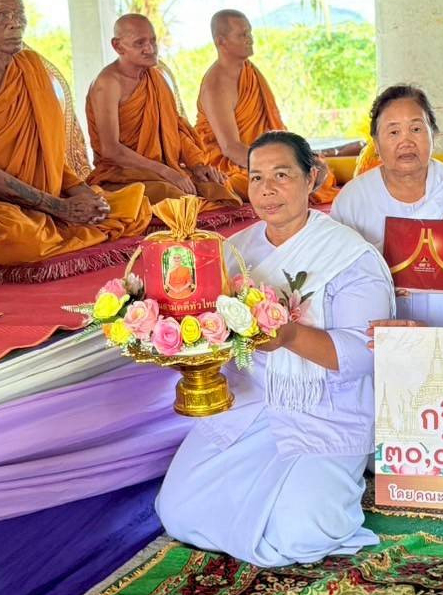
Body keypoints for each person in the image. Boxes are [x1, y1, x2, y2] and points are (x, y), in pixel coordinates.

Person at [155, 131, 395, 567]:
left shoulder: (349, 256)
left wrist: (289, 337)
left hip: (326, 408)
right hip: (251, 406)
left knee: (302, 532)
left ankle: (326, 485)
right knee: (177, 511)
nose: (267, 189)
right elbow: (210, 329)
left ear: (313, 178)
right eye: (256, 177)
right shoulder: (233, 252)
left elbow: (366, 354)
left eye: (282, 175)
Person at [0, 0, 151, 265]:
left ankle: (64, 218)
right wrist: (59, 208)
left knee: (133, 206)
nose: (14, 23)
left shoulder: (32, 69)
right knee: (13, 235)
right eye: (0, 15)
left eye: (19, 14)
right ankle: (52, 222)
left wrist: (85, 195)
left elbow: (50, 157)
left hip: (46, 195)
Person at [333, 84, 443, 327]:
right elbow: (339, 273)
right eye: (393, 132)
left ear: (433, 134)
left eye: (416, 129)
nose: (406, 141)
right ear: (376, 143)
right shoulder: (353, 199)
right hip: (380, 328)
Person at [193, 9, 358, 205]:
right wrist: (276, 165)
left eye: (250, 32)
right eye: (242, 34)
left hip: (258, 155)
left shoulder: (249, 71)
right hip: (228, 164)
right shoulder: (217, 84)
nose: (250, 39)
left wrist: (287, 158)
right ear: (221, 41)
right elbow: (230, 148)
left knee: (316, 169)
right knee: (253, 183)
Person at [85, 13, 238, 208]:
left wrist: (197, 165)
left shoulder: (155, 79)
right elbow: (111, 149)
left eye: (153, 41)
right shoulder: (108, 84)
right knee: (178, 200)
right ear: (117, 46)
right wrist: (166, 173)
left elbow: (174, 130)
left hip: (161, 171)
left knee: (218, 188)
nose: (150, 49)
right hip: (120, 175)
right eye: (140, 43)